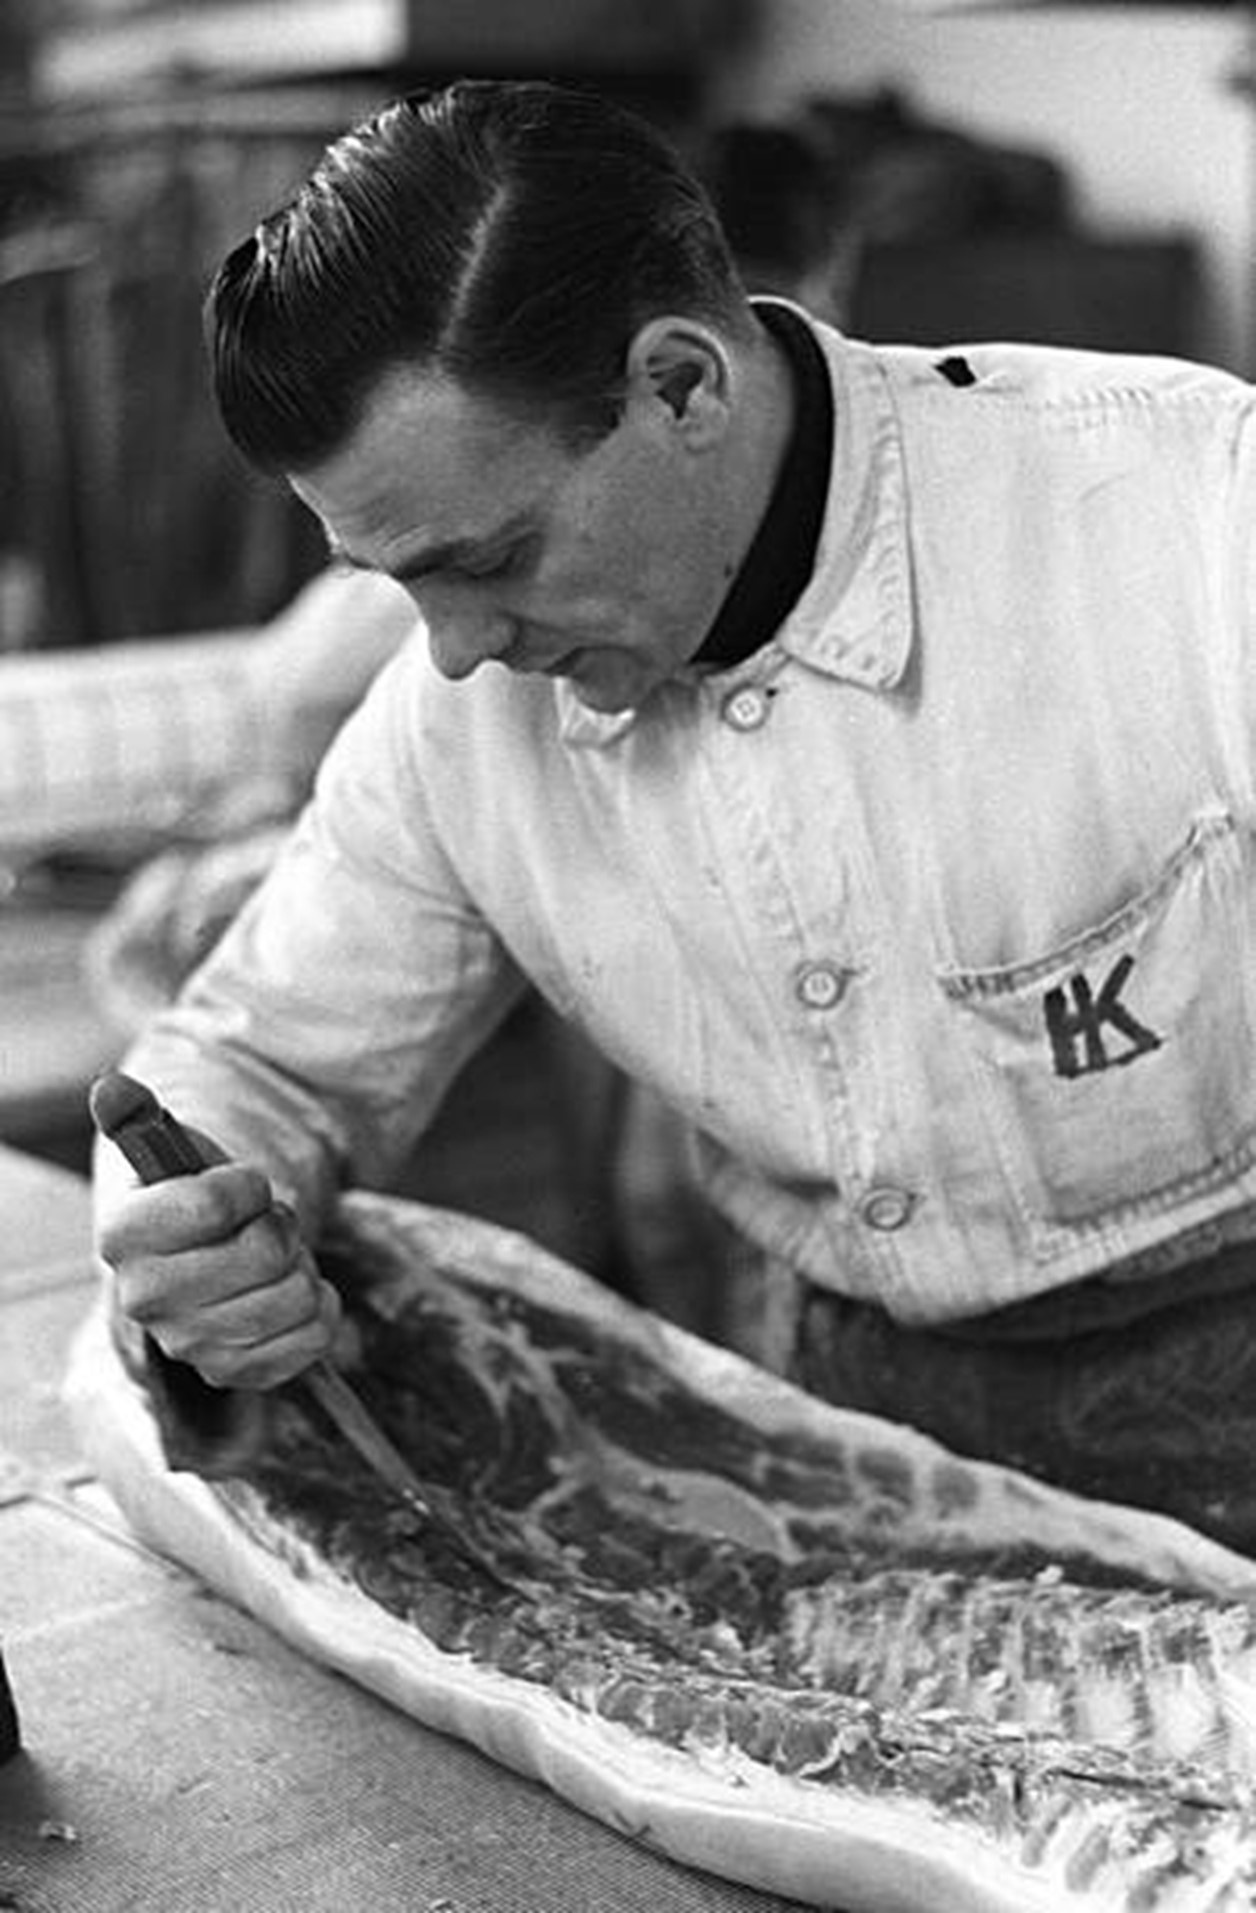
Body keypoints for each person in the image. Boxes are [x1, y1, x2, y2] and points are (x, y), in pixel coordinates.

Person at [95, 78, 1256, 1552]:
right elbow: (260, 1054)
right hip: (848, 1445)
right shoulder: (457, 719)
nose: (455, 651)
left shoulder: (1192, 514)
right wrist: (194, 1232)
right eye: (402, 584)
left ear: (683, 386)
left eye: (494, 555)